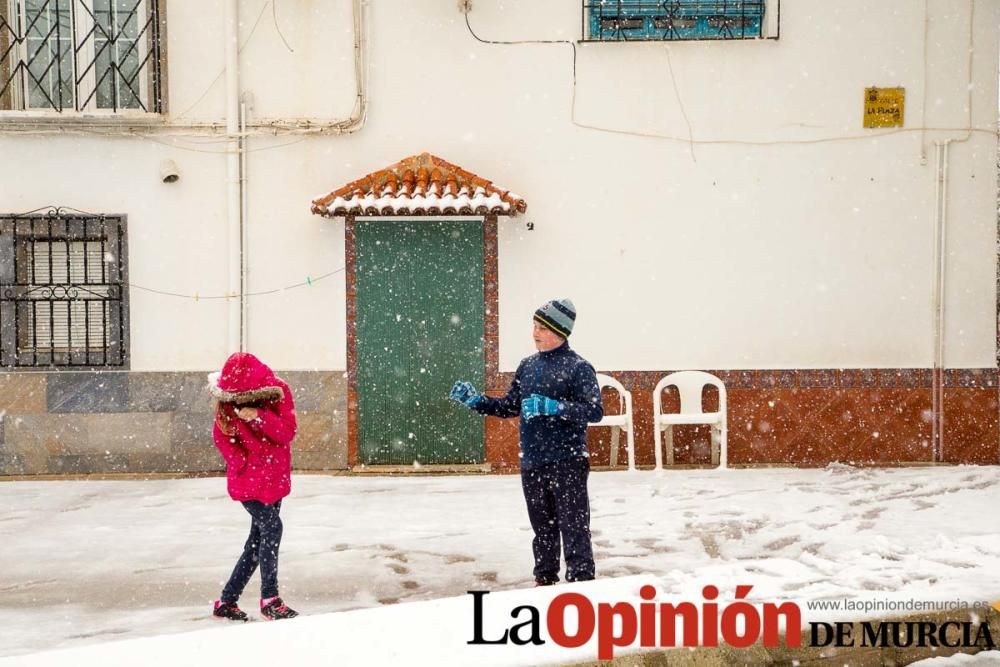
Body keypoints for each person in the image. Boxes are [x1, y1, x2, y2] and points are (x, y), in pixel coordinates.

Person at [450, 298, 603, 585]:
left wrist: (555, 407)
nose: (535, 333)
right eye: (533, 326)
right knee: (542, 528)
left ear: (560, 332)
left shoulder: (579, 368)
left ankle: (582, 582)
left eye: (541, 328)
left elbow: (594, 411)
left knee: (574, 526)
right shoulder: (528, 366)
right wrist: (476, 401)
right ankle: (544, 579)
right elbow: (509, 406)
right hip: (533, 461)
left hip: (567, 460)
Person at [209, 352, 299, 621]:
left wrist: (258, 416)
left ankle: (226, 601)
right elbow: (222, 437)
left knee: (256, 541)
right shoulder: (227, 400)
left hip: (274, 477)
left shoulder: (278, 392)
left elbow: (286, 432)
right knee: (272, 527)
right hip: (248, 481)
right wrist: (244, 463)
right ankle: (270, 598)